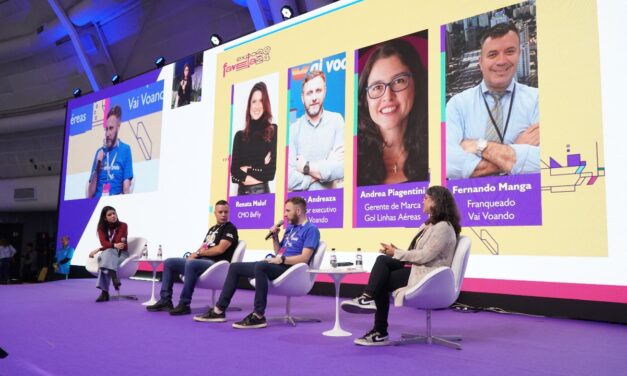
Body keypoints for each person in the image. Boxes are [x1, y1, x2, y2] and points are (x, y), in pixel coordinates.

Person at [341, 186, 461, 346]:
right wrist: (395, 251)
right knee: (383, 261)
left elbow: (425, 255)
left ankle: (378, 326)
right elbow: (417, 252)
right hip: (420, 269)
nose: (422, 201)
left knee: (382, 280)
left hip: (429, 276)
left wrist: (397, 252)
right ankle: (368, 301)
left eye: (426, 198)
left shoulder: (443, 228)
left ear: (436, 202)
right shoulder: (428, 225)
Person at [194, 196, 320, 329]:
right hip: (280, 264)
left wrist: (281, 259)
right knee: (235, 267)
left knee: (261, 266)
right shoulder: (290, 228)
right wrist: (275, 237)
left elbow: (305, 258)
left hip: (291, 269)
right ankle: (219, 310)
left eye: (288, 211)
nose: (285, 214)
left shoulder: (311, 229)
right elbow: (279, 251)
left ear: (298, 211)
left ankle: (258, 315)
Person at [446, 22, 540, 179]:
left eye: (510, 51)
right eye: (492, 54)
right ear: (480, 62)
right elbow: (448, 164)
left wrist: (479, 146)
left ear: (519, 55)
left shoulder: (537, 100)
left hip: (525, 198)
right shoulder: (458, 105)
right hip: (473, 201)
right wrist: (516, 151)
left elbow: (544, 161)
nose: (501, 61)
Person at [146, 200, 239, 315]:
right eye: (220, 212)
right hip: (203, 261)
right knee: (169, 262)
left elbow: (220, 249)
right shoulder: (213, 229)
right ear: (215, 213)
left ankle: (184, 304)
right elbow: (204, 247)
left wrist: (199, 255)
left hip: (216, 264)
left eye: (226, 212)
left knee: (191, 264)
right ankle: (166, 300)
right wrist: (194, 254)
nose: (223, 214)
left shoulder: (230, 228)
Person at [357, 38, 429, 186]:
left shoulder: (437, 150)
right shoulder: (351, 160)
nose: (387, 96)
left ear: (416, 87)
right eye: (377, 87)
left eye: (398, 81)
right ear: (365, 100)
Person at [288, 70, 344, 191]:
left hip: (330, 203)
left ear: (325, 92)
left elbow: (342, 169)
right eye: (309, 93)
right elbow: (289, 179)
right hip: (300, 204)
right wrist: (327, 165)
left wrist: (305, 167)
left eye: (318, 91)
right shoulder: (293, 129)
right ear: (302, 98)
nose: (314, 98)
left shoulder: (337, 120)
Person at [230, 82, 278, 195]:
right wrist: (261, 164)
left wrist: (246, 169)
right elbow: (234, 174)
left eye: (261, 101)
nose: (257, 106)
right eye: (254, 101)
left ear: (266, 104)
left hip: (262, 195)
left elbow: (270, 174)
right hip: (240, 196)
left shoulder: (273, 131)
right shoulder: (239, 136)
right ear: (249, 105)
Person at [87, 105, 134, 197]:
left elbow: (126, 188)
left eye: (111, 128)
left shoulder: (125, 149)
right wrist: (97, 169)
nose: (107, 133)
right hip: (97, 202)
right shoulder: (99, 152)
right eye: (106, 129)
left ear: (118, 127)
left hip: (115, 202)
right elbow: (90, 193)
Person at [89, 206, 128, 302]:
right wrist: (105, 247)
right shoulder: (101, 228)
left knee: (105, 259)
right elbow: (104, 243)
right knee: (107, 254)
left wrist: (99, 249)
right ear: (104, 218)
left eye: (114, 213)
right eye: (109, 215)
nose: (113, 216)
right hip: (109, 254)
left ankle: (104, 293)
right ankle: (114, 277)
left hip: (121, 254)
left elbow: (119, 243)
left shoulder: (123, 225)